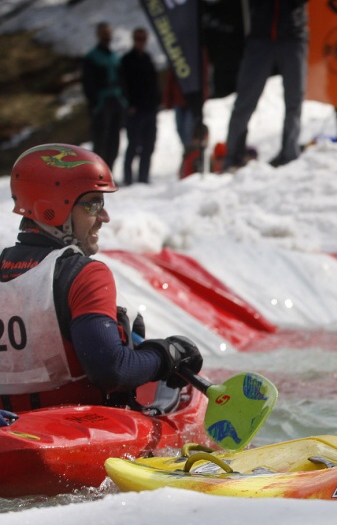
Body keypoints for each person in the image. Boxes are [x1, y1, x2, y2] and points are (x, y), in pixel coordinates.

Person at [0, 144, 204, 413]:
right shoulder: (85, 275)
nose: (104, 217)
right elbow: (113, 372)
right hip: (78, 435)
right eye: (93, 204)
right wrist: (167, 355)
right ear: (52, 207)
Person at [224, 0, 316, 169]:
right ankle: (233, 157)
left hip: (293, 36)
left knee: (294, 100)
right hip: (260, 36)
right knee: (245, 101)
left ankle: (289, 154)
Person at [119, 27, 160, 185]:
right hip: (135, 111)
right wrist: (129, 105)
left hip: (150, 109)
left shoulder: (148, 58)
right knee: (133, 145)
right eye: (137, 38)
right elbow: (123, 85)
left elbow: (154, 83)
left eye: (142, 39)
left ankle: (143, 177)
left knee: (149, 145)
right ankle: (128, 178)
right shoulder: (127, 60)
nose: (140, 42)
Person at [80, 22, 125, 169]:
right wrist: (94, 103)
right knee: (100, 139)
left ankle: (109, 171)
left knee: (114, 139)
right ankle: (96, 172)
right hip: (101, 102)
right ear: (98, 35)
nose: (106, 35)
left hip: (116, 100)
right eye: (103, 32)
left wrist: (124, 99)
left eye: (108, 32)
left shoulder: (114, 56)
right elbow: (87, 82)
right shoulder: (92, 57)